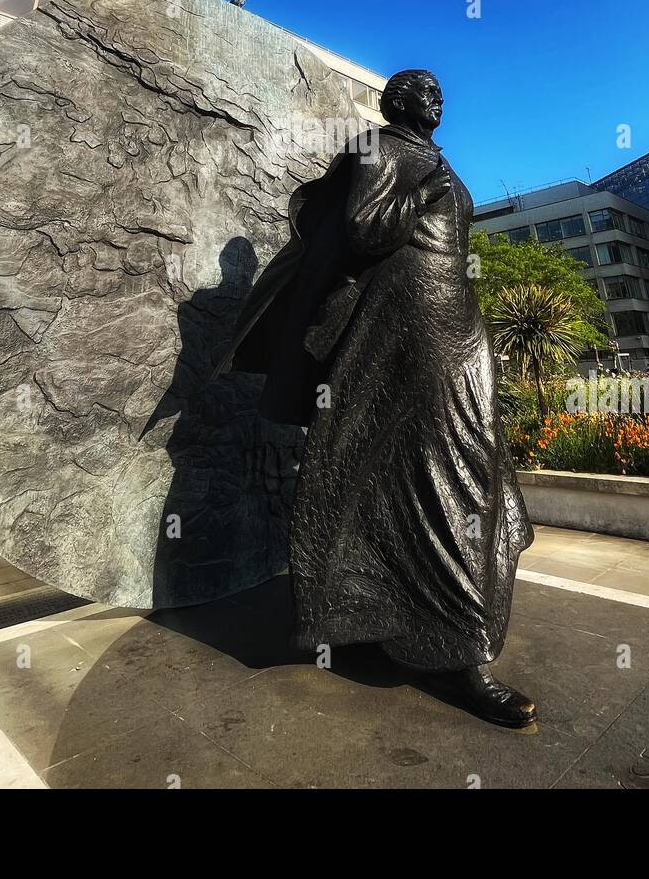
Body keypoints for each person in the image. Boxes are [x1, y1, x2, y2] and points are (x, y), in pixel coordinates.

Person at [217, 68, 536, 727]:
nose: (438, 98)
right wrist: (419, 195)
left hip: (455, 318)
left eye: (442, 91)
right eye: (425, 90)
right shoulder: (379, 149)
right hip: (408, 321)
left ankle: (379, 614)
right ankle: (464, 653)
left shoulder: (429, 158)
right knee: (443, 473)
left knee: (466, 468)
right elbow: (363, 230)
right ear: (398, 102)